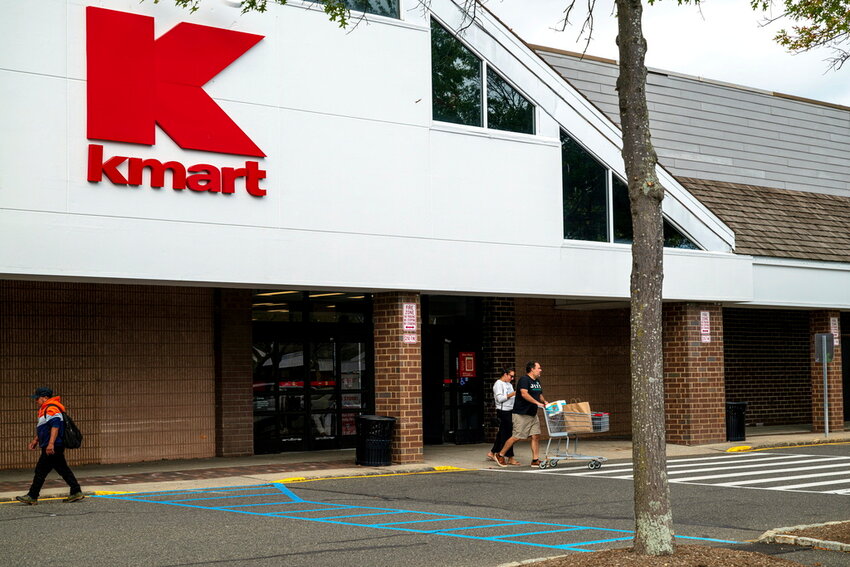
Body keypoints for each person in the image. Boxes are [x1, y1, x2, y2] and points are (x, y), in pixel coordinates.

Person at [16, 388, 84, 505]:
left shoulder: (51, 408)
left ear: (45, 398)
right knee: (61, 469)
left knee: (41, 471)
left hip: (52, 446)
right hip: (51, 445)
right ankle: (76, 491)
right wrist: (35, 440)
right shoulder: (45, 409)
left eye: (37, 398)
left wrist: (51, 443)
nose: (36, 400)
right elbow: (44, 428)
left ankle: (32, 496)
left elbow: (55, 426)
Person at [494, 361, 547, 468]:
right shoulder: (524, 380)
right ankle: (500, 455)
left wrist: (545, 402)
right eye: (539, 368)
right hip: (521, 413)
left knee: (536, 436)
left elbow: (539, 394)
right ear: (532, 369)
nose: (540, 370)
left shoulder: (537, 381)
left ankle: (535, 460)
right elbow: (524, 393)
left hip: (533, 413)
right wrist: (537, 403)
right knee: (517, 436)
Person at [487, 367, 521, 465]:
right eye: (511, 376)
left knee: (502, 433)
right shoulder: (498, 384)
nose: (512, 378)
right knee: (508, 435)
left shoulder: (509, 384)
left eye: (513, 376)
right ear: (505, 374)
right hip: (503, 411)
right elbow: (499, 399)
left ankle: (492, 452)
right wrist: (512, 394)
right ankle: (509, 456)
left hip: (510, 410)